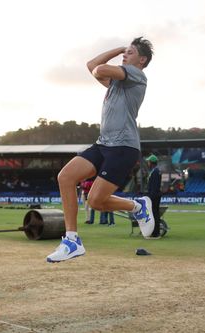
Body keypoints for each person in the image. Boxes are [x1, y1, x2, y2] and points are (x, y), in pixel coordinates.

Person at [46, 37, 155, 263]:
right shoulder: (116, 83)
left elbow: (99, 69)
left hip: (123, 148)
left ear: (142, 60)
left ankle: (138, 206)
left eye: (131, 52)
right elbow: (90, 65)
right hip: (103, 144)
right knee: (65, 177)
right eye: (126, 52)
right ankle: (72, 240)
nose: (126, 56)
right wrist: (119, 49)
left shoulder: (137, 75)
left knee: (96, 201)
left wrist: (119, 59)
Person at [145, 154, 162, 239]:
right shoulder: (155, 171)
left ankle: (155, 233)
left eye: (148, 161)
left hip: (154, 196)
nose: (148, 163)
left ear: (151, 162)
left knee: (154, 214)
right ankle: (155, 232)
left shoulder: (155, 172)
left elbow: (154, 186)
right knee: (155, 214)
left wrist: (151, 197)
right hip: (155, 195)